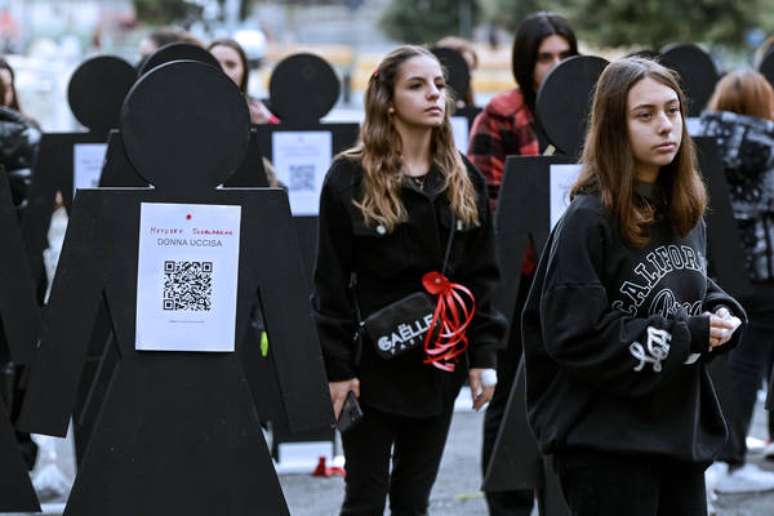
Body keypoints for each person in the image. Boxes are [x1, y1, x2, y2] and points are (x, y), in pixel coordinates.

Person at [522, 56, 746, 516]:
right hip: (607, 446)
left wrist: (721, 311)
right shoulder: (587, 220)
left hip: (677, 436)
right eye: (645, 115)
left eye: (672, 110)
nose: (665, 126)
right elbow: (576, 336)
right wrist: (691, 334)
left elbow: (689, 285)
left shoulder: (683, 209)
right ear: (615, 127)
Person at [312, 45, 507, 515]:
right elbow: (331, 282)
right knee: (364, 496)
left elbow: (481, 277)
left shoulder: (464, 179)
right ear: (389, 99)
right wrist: (338, 369)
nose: (433, 95)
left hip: (438, 367)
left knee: (413, 499)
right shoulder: (348, 177)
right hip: (372, 366)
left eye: (439, 85)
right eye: (417, 85)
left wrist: (483, 358)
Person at [466, 11, 578, 515]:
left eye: (564, 55)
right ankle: (508, 505)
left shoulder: (594, 113)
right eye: (545, 57)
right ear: (524, 62)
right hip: (521, 279)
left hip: (581, 278)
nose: (555, 66)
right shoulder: (502, 114)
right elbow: (490, 205)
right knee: (511, 398)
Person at [697, 70, 774, 494]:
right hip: (761, 268)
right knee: (749, 365)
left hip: (709, 263)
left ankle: (716, 451)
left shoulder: (698, 135)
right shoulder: (768, 142)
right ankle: (732, 458)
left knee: (713, 359)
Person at [207, 38, 278, 125]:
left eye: (230, 64)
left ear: (244, 70)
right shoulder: (190, 109)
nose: (223, 70)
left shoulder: (260, 110)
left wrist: (268, 123)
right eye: (214, 63)